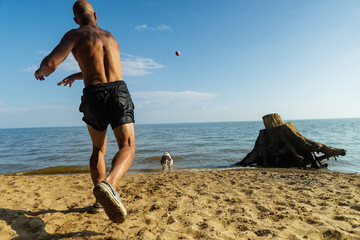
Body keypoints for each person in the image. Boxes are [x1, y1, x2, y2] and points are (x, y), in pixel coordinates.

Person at [34, 0, 135, 223]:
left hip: (93, 95)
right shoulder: (111, 37)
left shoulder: (75, 34)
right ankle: (109, 184)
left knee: (98, 148)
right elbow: (109, 69)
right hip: (118, 90)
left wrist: (41, 71)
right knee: (127, 146)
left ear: (76, 20)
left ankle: (100, 200)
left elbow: (51, 63)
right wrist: (77, 75)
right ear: (95, 15)